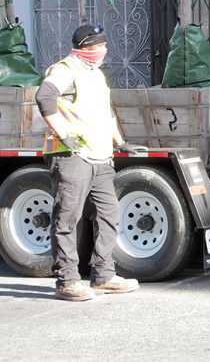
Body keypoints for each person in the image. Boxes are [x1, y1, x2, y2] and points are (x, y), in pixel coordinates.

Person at [36, 25, 144, 302]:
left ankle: (103, 275)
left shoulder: (95, 74)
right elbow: (44, 96)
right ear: (86, 47)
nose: (104, 50)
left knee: (109, 215)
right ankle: (67, 281)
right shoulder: (65, 70)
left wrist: (120, 142)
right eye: (100, 45)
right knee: (66, 219)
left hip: (100, 156)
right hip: (72, 156)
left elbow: (105, 111)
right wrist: (62, 133)